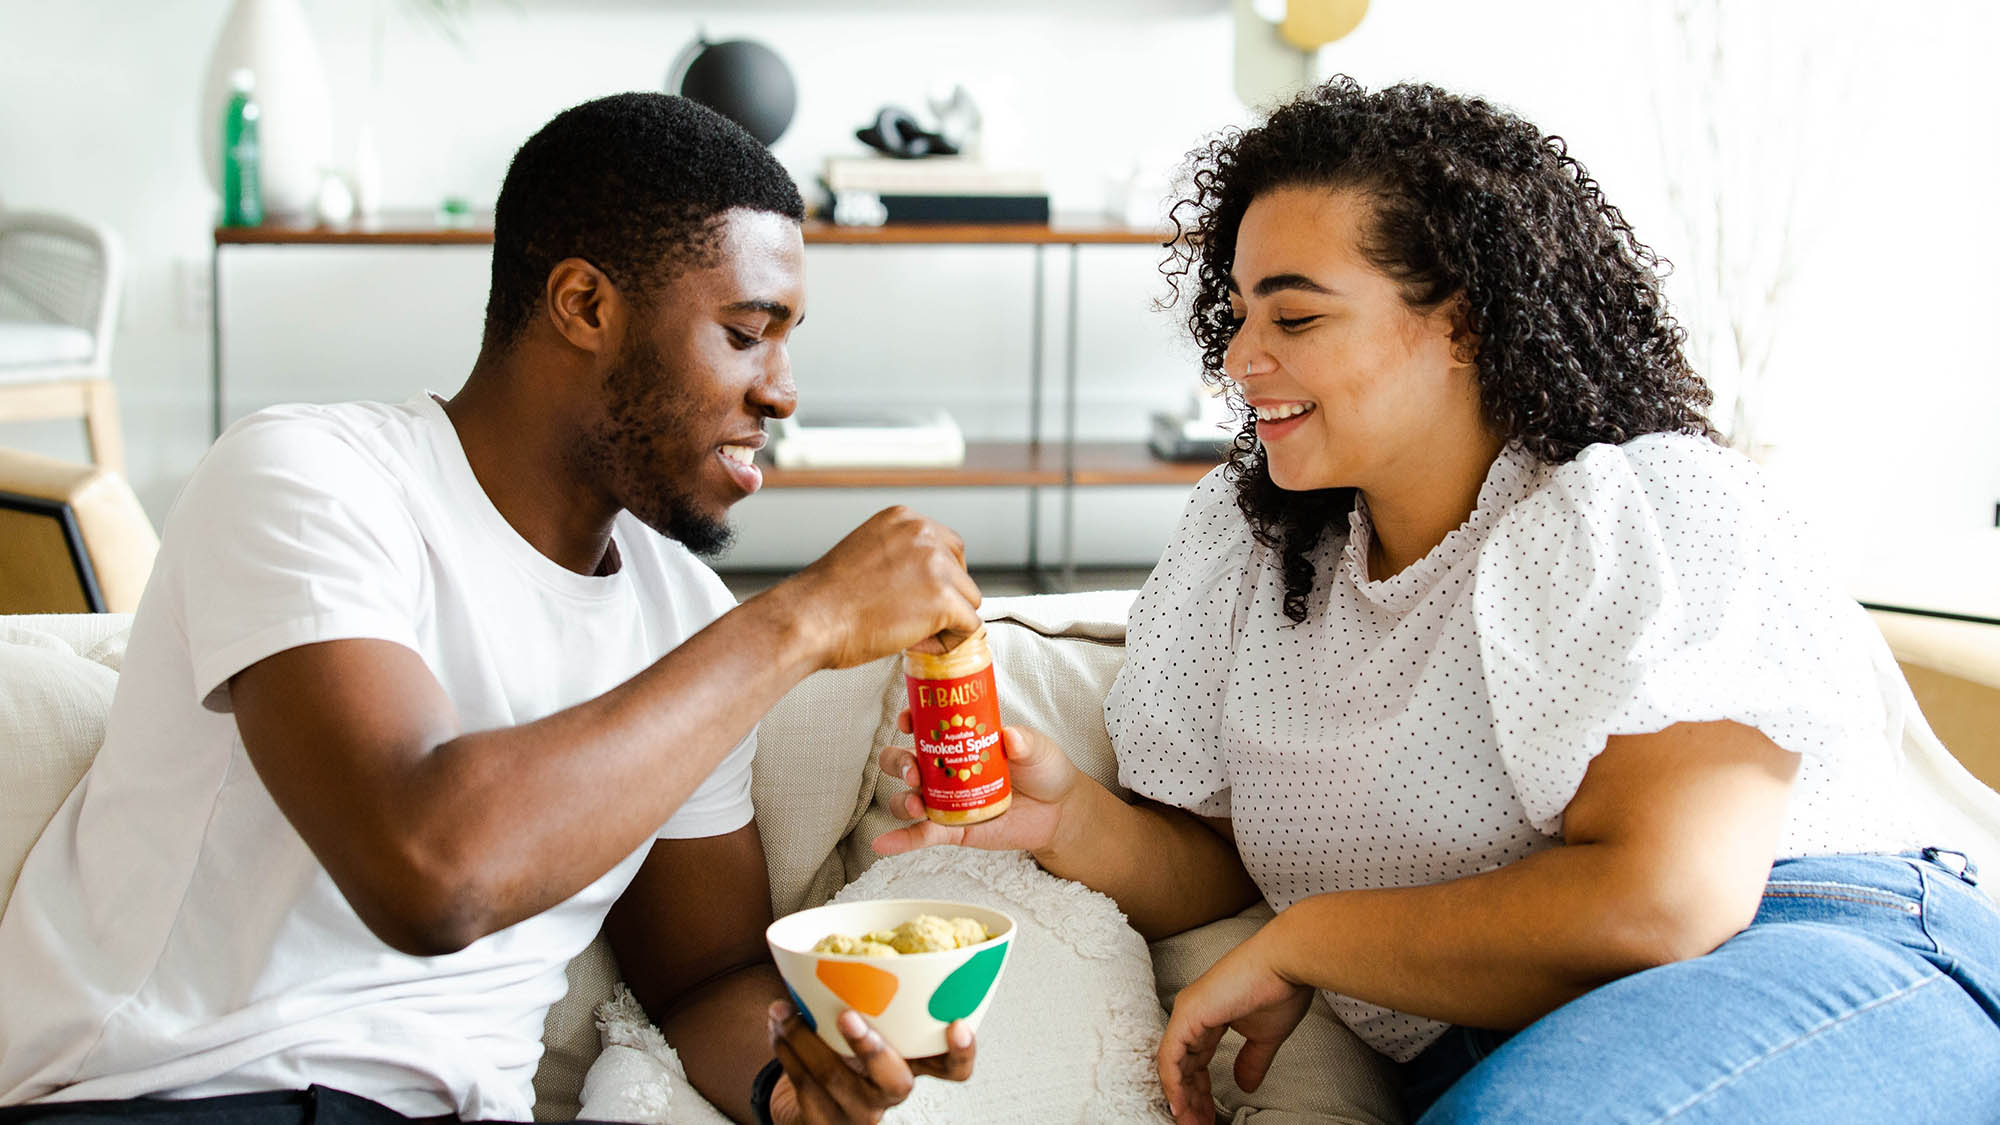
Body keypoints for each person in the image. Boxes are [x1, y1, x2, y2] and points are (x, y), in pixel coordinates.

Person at [875, 77, 2000, 1122]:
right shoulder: (1249, 552)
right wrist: (1067, 817)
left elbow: (1663, 904)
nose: (1239, 357)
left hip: (1801, 951)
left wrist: (1314, 942)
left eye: (1294, 317)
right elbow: (1216, 857)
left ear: (1460, 323)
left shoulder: (1637, 505)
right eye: (1234, 316)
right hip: (1505, 1046)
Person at [0, 94, 982, 1125]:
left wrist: (795, 1081)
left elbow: (701, 977)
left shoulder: (684, 616)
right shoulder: (310, 478)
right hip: (179, 1094)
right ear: (583, 305)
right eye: (744, 335)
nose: (781, 392)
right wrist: (803, 619)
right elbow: (429, 874)